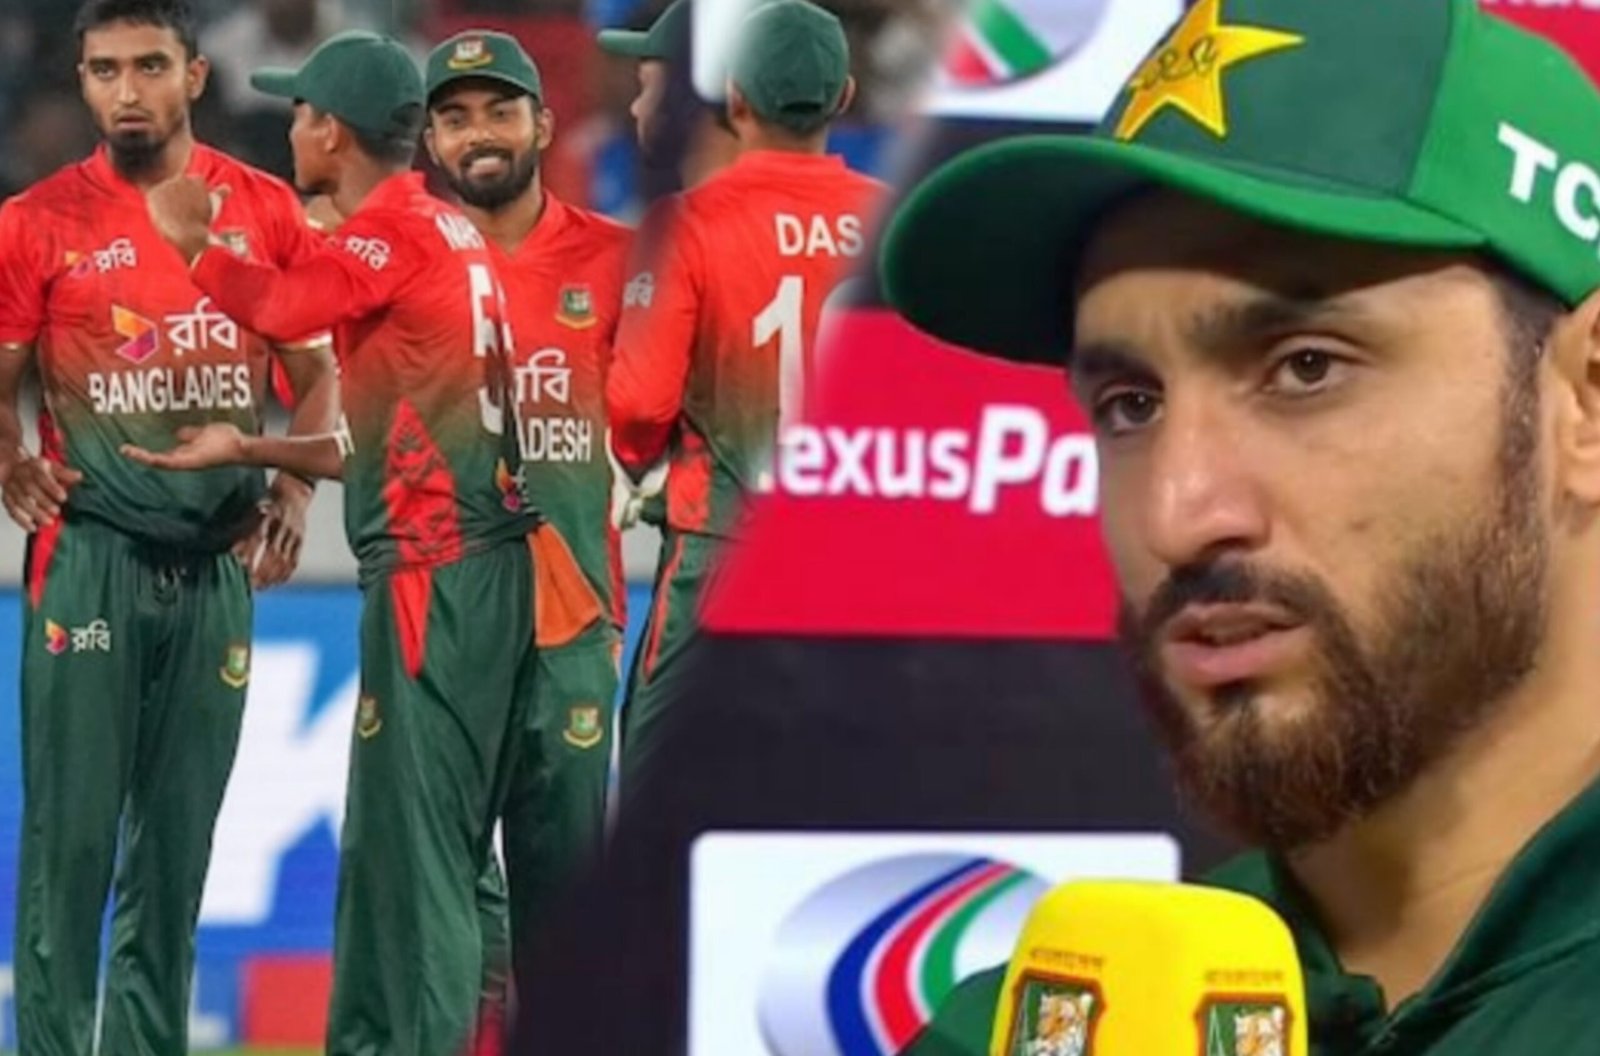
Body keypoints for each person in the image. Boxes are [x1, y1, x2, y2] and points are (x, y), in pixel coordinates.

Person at [880, 0, 1600, 1051]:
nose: (1178, 515)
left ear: (1585, 399)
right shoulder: (1028, 1029)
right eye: (1129, 404)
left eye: (1305, 368)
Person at [122, 28, 592, 1056]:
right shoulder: (445, 229)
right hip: (475, 564)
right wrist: (256, 445)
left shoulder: (395, 235)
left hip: (438, 573)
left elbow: (289, 302)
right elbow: (394, 430)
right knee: (428, 846)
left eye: (299, 114)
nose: (290, 130)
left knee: (419, 855)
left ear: (330, 130)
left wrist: (195, 244)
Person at [0, 1, 337, 1053]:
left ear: (195, 75)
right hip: (89, 555)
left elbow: (318, 372)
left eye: (150, 65)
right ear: (82, 80)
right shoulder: (36, 222)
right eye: (105, 70)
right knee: (70, 847)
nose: (128, 90)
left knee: (175, 851)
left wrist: (292, 496)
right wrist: (9, 456)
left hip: (216, 565)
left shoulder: (265, 210)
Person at [606, 0, 885, 793]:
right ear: (843, 96)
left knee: (666, 793)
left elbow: (637, 406)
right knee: (842, 785)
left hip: (725, 545)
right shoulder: (892, 219)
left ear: (734, 96)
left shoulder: (689, 224)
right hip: (861, 551)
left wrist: (642, 463)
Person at [421, 27, 632, 1023]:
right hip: (443, 624)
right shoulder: (402, 263)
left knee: (567, 906)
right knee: (443, 905)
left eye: (499, 111)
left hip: (569, 627)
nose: (480, 135)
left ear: (543, 124)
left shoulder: (619, 262)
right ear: (430, 141)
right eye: (456, 118)